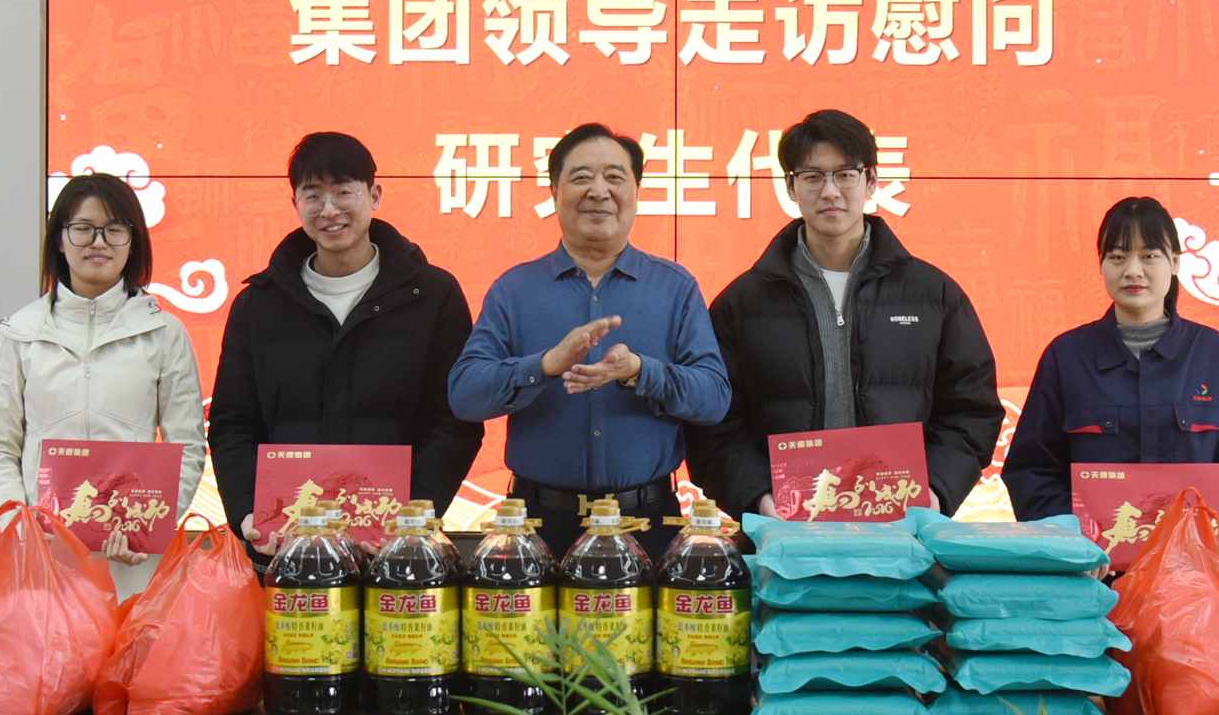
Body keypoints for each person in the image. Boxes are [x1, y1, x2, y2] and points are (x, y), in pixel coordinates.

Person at [689, 108, 1000, 519]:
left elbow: (971, 410)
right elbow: (713, 422)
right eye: (813, 176)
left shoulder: (932, 294)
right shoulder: (743, 303)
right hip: (785, 530)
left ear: (871, 181)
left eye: (845, 174)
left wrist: (934, 492)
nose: (830, 191)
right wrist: (760, 498)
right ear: (791, 187)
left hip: (903, 526)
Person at [448, 122, 731, 560]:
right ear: (554, 191)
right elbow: (465, 395)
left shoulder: (675, 288)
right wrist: (544, 365)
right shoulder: (515, 289)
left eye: (614, 177)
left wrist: (641, 372)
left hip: (647, 521)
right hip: (538, 524)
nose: (599, 191)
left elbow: (713, 398)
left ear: (636, 191)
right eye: (581, 177)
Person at [211, 132, 482, 554]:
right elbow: (233, 422)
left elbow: (454, 420)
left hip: (395, 547)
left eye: (343, 191)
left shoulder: (432, 296)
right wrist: (247, 511)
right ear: (295, 203)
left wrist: (414, 516)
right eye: (313, 195)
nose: (329, 209)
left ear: (374, 195)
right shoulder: (258, 305)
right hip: (285, 545)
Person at [0, 172, 206, 597]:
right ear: (59, 240)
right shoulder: (20, 332)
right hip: (40, 557)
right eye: (82, 228)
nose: (98, 242)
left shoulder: (163, 332)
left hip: (131, 558)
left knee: (130, 637)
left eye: (114, 229)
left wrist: (149, 526)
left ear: (133, 241)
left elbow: (187, 446)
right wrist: (18, 527)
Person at [1001, 196, 1219, 556]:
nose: (1133, 270)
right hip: (1093, 574)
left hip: (1195, 572)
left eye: (1149, 255)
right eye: (1118, 256)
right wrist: (1073, 547)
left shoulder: (1213, 355)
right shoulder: (1067, 357)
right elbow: (1031, 472)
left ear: (1175, 262)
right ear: (1101, 265)